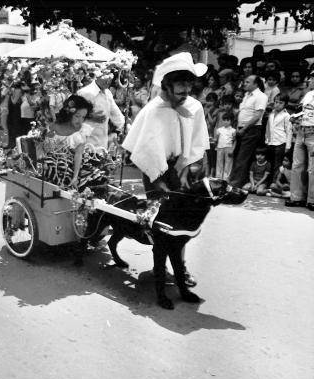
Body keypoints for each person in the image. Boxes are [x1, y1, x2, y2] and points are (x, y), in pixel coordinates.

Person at [122, 52, 209, 287]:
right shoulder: (153, 110)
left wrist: (190, 167)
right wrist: (158, 176)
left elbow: (199, 142)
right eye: (180, 85)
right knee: (162, 220)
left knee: (182, 220)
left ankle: (181, 267)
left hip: (185, 169)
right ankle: (160, 266)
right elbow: (142, 148)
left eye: (189, 85)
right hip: (158, 171)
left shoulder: (195, 107)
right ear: (167, 85)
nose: (185, 90)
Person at [42, 94, 95, 189]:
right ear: (69, 113)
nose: (80, 120)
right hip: (50, 164)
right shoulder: (54, 126)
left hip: (70, 167)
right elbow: (45, 148)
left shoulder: (82, 131)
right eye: (77, 116)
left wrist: (75, 177)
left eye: (83, 117)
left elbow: (78, 155)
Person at [228, 75, 268, 187]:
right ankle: (237, 180)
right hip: (241, 128)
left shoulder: (261, 96)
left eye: (247, 82)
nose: (244, 84)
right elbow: (242, 113)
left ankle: (235, 183)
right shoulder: (246, 95)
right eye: (244, 81)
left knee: (243, 157)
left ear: (255, 84)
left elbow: (257, 116)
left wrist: (244, 128)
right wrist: (238, 128)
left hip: (251, 129)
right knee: (237, 155)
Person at [77, 71, 125, 151]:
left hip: (102, 140)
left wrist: (124, 126)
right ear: (97, 76)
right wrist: (90, 116)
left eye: (110, 77)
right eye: (105, 77)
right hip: (86, 139)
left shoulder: (108, 93)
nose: (108, 81)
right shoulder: (85, 92)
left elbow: (115, 113)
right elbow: (74, 113)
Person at [285, 79, 314, 210]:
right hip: (301, 131)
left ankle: (312, 200)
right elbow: (301, 110)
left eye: (313, 78)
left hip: (313, 133)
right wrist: (295, 116)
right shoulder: (309, 94)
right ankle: (296, 198)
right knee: (297, 165)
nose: (310, 81)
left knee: (313, 168)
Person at [265, 94, 292, 182]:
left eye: (280, 103)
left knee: (277, 164)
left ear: (285, 104)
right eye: (276, 102)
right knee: (269, 163)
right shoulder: (271, 114)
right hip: (270, 142)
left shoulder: (286, 115)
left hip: (281, 142)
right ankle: (267, 183)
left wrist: (288, 146)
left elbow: (289, 131)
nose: (277, 104)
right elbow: (268, 128)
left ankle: (274, 183)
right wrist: (267, 139)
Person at [214, 112, 236, 180]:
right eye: (224, 120)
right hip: (220, 147)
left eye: (228, 120)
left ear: (231, 121)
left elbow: (234, 141)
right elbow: (216, 139)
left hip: (229, 148)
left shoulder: (233, 130)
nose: (226, 122)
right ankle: (218, 178)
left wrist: (232, 149)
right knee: (219, 163)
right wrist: (215, 143)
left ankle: (226, 178)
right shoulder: (219, 130)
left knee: (228, 164)